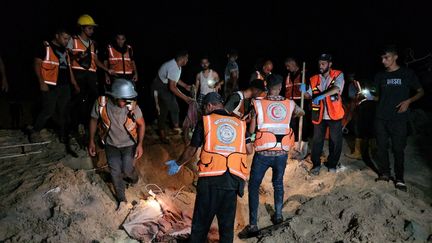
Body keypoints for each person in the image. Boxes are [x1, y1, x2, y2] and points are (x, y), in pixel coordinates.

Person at [165, 92, 253, 243]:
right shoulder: (240, 123)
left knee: (201, 226)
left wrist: (178, 163)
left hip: (210, 180)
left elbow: (192, 149)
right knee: (226, 228)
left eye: (204, 108)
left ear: (209, 106)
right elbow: (249, 149)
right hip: (233, 181)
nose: (203, 112)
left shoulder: (206, 121)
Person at [239, 74, 304, 237]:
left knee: (254, 186)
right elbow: (301, 112)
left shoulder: (259, 104)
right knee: (278, 184)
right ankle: (279, 215)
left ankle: (253, 225)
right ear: (281, 87)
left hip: (263, 153)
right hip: (281, 152)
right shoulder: (289, 104)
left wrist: (252, 136)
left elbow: (252, 129)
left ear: (267, 86)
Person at [88, 79, 145, 209]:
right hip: (110, 144)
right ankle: (122, 199)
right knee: (115, 172)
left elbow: (142, 125)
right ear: (114, 96)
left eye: (129, 99)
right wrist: (91, 140)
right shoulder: (101, 104)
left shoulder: (133, 106)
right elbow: (93, 120)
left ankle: (134, 179)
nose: (126, 102)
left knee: (127, 169)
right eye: (123, 100)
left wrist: (140, 144)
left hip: (129, 144)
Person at [374, 45, 424, 191]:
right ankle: (384, 174)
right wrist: (368, 96)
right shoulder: (380, 76)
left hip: (399, 118)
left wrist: (408, 101)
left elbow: (421, 92)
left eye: (386, 57)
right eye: (382, 58)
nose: (383, 61)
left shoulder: (407, 74)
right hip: (380, 117)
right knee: (381, 147)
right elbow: (377, 96)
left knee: (398, 149)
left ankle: (400, 178)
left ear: (395, 57)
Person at [30, 29, 80, 154]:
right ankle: (35, 131)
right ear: (56, 35)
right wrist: (41, 82)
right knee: (48, 110)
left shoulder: (65, 50)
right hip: (50, 85)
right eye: (64, 38)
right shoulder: (45, 46)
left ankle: (63, 135)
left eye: (68, 38)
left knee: (64, 112)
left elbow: (69, 69)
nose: (66, 40)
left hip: (64, 86)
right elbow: (37, 64)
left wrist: (74, 83)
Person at [68, 14, 114, 141]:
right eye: (89, 28)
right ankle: (77, 126)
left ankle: (91, 126)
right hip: (78, 73)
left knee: (94, 101)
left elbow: (96, 60)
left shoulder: (92, 44)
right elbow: (66, 59)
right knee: (78, 101)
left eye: (92, 28)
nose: (92, 31)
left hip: (91, 74)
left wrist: (107, 69)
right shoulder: (73, 40)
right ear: (82, 28)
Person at [300, 54, 345, 175]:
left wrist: (320, 96)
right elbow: (308, 96)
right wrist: (304, 91)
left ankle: (332, 164)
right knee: (317, 141)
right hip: (318, 114)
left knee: (335, 141)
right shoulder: (314, 78)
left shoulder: (338, 74)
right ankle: (316, 165)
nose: (320, 66)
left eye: (323, 64)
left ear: (330, 64)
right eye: (319, 63)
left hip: (334, 114)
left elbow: (336, 89)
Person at [152, 51, 193, 143]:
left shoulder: (178, 65)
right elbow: (172, 87)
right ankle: (167, 133)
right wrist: (185, 98)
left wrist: (185, 86)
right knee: (165, 110)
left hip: (165, 87)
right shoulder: (173, 67)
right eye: (187, 58)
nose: (187, 60)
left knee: (172, 107)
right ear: (182, 58)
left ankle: (174, 128)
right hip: (159, 87)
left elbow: (175, 79)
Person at [284, 57, 312, 157]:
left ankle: (303, 147)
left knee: (303, 126)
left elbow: (311, 90)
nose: (287, 68)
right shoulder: (287, 76)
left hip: (302, 103)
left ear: (293, 63)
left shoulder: (305, 74)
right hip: (291, 104)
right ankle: (295, 146)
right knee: (293, 125)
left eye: (288, 66)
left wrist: (308, 93)